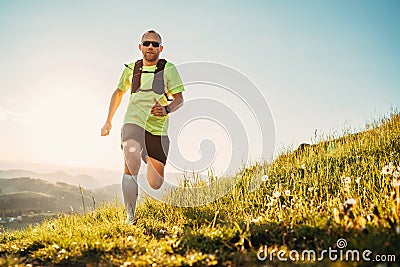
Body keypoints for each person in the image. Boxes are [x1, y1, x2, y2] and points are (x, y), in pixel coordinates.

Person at [101, 30, 184, 224]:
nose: (150, 47)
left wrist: (166, 109)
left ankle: (147, 154)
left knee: (155, 183)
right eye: (147, 43)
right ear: (140, 46)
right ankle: (130, 217)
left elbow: (180, 99)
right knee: (131, 158)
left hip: (157, 129)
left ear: (161, 49)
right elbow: (119, 92)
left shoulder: (169, 69)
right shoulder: (131, 69)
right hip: (133, 123)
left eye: (155, 45)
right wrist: (108, 121)